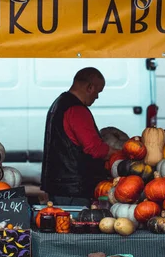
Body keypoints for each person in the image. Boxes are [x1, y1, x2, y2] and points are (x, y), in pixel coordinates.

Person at [41, 67, 120, 206]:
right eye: (98, 91)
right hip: (74, 190)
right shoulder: (77, 110)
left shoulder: (59, 103)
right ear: (90, 87)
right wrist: (121, 154)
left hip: (59, 186)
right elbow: (95, 149)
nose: (97, 97)